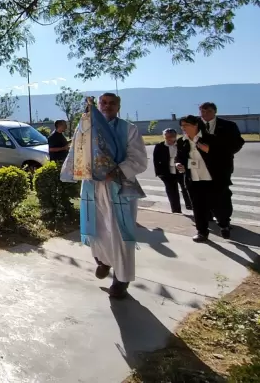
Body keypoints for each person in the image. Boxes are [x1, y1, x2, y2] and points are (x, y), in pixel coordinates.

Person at [62, 93, 148, 299]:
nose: (107, 106)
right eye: (104, 103)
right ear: (98, 105)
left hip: (117, 187)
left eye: (112, 103)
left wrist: (116, 171)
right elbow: (76, 150)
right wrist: (77, 170)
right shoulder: (85, 127)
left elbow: (138, 159)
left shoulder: (129, 129)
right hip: (92, 186)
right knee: (97, 229)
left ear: (119, 106)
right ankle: (104, 261)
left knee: (119, 233)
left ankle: (122, 279)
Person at [176, 115, 232, 242]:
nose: (183, 128)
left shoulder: (209, 138)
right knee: (198, 207)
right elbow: (179, 157)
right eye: (182, 126)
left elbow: (220, 154)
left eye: (186, 125)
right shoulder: (181, 141)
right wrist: (178, 164)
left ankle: (224, 225)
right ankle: (202, 232)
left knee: (218, 205)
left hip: (212, 179)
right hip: (194, 180)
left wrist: (202, 145)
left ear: (195, 125)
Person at [199, 102, 245, 224]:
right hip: (200, 167)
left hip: (222, 166)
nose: (205, 114)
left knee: (222, 193)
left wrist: (225, 154)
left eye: (208, 111)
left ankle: (224, 219)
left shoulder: (228, 125)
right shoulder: (195, 126)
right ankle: (208, 218)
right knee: (204, 194)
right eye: (202, 111)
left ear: (215, 112)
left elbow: (238, 142)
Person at [152, 128, 192, 213]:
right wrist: (159, 174)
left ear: (176, 136)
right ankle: (176, 211)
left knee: (186, 189)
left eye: (172, 136)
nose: (170, 139)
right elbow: (156, 161)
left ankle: (190, 206)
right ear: (164, 137)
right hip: (167, 173)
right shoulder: (160, 146)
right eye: (167, 137)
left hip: (181, 172)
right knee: (172, 192)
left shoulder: (181, 144)